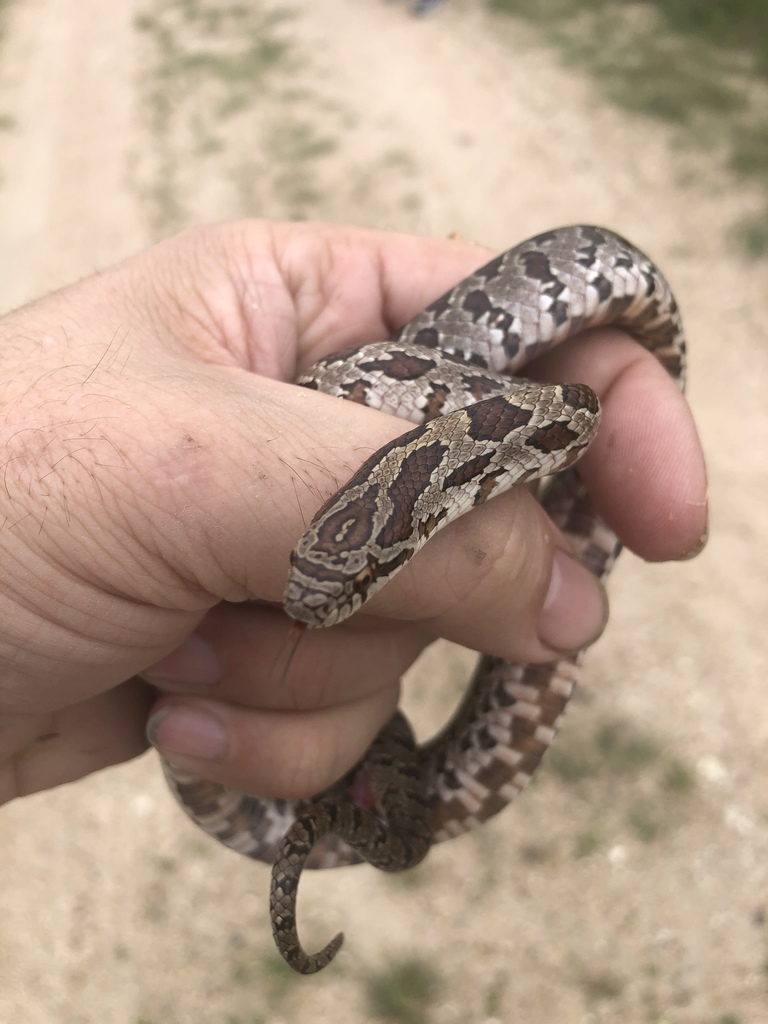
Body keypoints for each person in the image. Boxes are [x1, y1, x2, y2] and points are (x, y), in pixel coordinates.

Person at [0, 220, 707, 808]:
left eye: (351, 583)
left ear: (400, 545)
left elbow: (575, 414)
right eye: (319, 571)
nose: (316, 603)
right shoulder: (413, 430)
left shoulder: (486, 442)